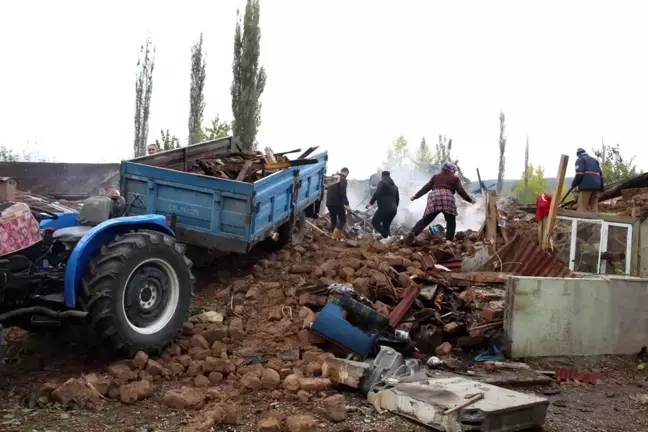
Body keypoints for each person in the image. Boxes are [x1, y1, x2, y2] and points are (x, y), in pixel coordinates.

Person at [405, 162, 475, 245]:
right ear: (452, 170)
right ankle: (449, 241)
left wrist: (415, 196)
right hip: (447, 196)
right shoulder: (455, 178)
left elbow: (426, 187)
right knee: (451, 220)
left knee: (426, 219)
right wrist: (470, 200)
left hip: (434, 196)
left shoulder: (435, 177)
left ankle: (412, 234)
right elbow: (460, 191)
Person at [366, 171, 399, 239]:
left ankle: (387, 236)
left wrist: (370, 203)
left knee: (375, 222)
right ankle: (389, 240)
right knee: (386, 226)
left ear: (382, 176)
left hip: (384, 208)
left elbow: (377, 194)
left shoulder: (382, 182)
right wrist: (394, 207)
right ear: (389, 176)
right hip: (393, 209)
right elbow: (397, 199)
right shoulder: (395, 186)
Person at [572, 148, 604, 213]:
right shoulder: (594, 160)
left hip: (586, 186)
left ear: (578, 155)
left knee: (582, 206)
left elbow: (579, 173)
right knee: (594, 206)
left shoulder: (580, 160)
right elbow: (601, 175)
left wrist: (574, 184)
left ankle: (579, 221)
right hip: (597, 186)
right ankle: (595, 222)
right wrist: (601, 187)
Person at [326, 167, 350, 240]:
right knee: (342, 219)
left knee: (334, 218)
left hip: (329, 202)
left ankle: (331, 234)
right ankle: (334, 237)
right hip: (337, 203)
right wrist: (347, 204)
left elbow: (327, 188)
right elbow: (342, 193)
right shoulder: (343, 179)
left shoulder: (333, 177)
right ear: (346, 173)